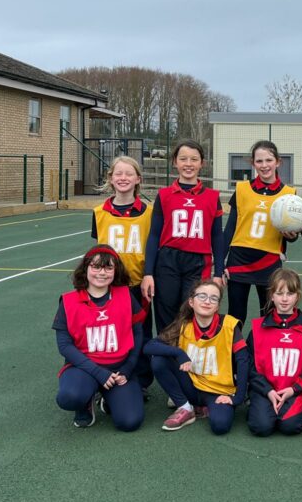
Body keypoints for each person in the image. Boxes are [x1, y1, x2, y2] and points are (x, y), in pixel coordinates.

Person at [53, 246, 144, 431]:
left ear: (115, 270)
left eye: (108, 268)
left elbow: (138, 333)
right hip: (84, 367)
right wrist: (98, 372)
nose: (102, 273)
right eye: (96, 267)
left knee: (130, 422)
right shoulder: (69, 301)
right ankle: (84, 402)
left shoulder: (125, 295)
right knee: (70, 396)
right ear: (85, 268)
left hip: (118, 368)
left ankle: (109, 399)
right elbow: (65, 346)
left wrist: (128, 368)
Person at [141, 140, 224, 333]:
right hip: (168, 261)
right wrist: (148, 273)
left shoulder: (212, 196)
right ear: (175, 162)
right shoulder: (164, 195)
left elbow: (217, 237)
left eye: (194, 159)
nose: (189, 164)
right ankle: (166, 357)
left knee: (192, 312)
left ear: (202, 163)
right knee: (166, 313)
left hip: (198, 262)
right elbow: (154, 236)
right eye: (183, 159)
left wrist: (218, 273)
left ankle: (189, 356)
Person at [144, 280, 247, 434]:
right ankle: (185, 407)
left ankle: (203, 408)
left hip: (218, 391)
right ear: (191, 302)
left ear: (218, 306)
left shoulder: (229, 325)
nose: (207, 301)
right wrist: (179, 353)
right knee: (159, 359)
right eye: (202, 296)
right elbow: (149, 346)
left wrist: (238, 398)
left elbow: (243, 361)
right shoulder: (184, 324)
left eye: (213, 298)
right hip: (191, 386)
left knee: (220, 426)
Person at [92, 155, 153, 386]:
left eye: (129, 174)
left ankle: (142, 381)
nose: (123, 178)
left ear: (138, 178)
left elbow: (152, 248)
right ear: (111, 178)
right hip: (108, 286)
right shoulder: (99, 212)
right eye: (118, 173)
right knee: (111, 333)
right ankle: (106, 377)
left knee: (142, 334)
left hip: (138, 285)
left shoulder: (149, 212)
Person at [223, 140, 298, 327]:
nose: (264, 166)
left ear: (278, 162)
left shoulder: (289, 194)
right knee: (236, 315)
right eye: (259, 161)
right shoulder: (241, 189)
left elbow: (293, 232)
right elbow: (230, 228)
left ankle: (263, 355)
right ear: (253, 163)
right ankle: (236, 355)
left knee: (270, 314)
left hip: (269, 260)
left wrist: (293, 235)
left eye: (268, 160)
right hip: (239, 259)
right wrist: (219, 263)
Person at [246, 268, 302, 437]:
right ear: (272, 295)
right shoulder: (258, 328)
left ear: (298, 296)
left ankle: (300, 404)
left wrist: (294, 389)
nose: (285, 299)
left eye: (290, 293)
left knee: (290, 427)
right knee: (261, 427)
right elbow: (249, 366)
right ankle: (260, 405)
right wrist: (267, 390)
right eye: (280, 293)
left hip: (294, 390)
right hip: (266, 390)